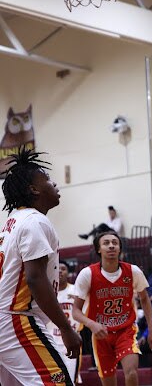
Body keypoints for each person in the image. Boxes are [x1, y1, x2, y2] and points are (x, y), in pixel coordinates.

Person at [0, 148, 82, 386]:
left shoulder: (12, 222)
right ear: (33, 189)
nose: (54, 183)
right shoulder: (35, 221)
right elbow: (35, 279)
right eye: (46, 178)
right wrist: (66, 329)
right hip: (17, 319)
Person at [72, 231, 152, 386]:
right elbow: (75, 311)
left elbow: (145, 299)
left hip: (126, 331)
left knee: (131, 373)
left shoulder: (133, 271)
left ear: (120, 249)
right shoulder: (87, 274)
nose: (111, 245)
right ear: (99, 249)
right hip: (101, 335)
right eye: (106, 243)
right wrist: (92, 324)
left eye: (115, 243)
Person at [47, 260, 82, 385]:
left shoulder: (76, 291)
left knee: (72, 379)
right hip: (51, 339)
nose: (60, 271)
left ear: (68, 273)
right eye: (57, 268)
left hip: (71, 339)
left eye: (63, 269)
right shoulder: (46, 294)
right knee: (54, 379)